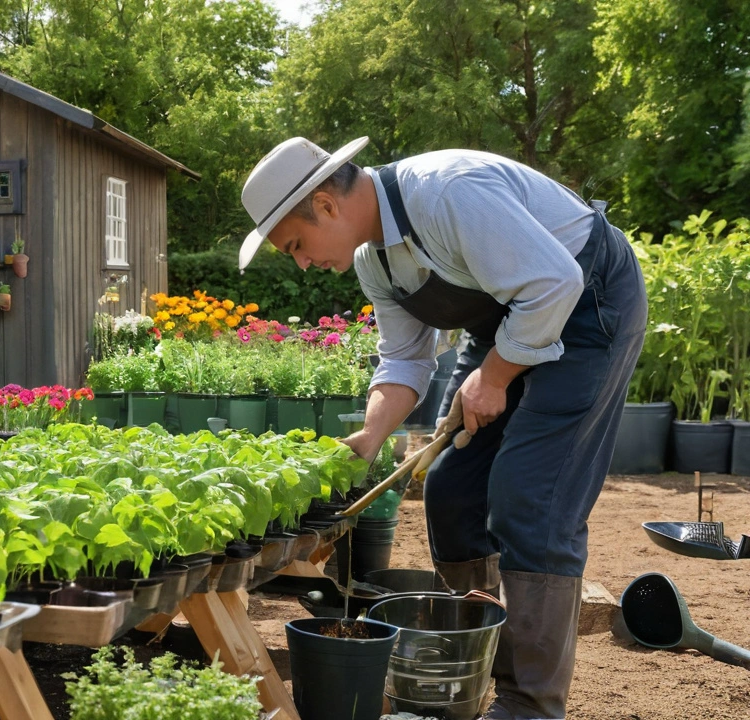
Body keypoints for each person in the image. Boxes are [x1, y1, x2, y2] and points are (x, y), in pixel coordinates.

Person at [238, 137, 647, 720]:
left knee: (530, 498)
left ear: (326, 204)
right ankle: (474, 660)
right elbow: (405, 361)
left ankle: (528, 703)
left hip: (588, 309)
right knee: (451, 490)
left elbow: (555, 283)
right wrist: (370, 438)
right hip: (508, 322)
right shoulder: (372, 259)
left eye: (297, 245)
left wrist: (496, 375)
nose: (302, 263)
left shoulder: (449, 192)